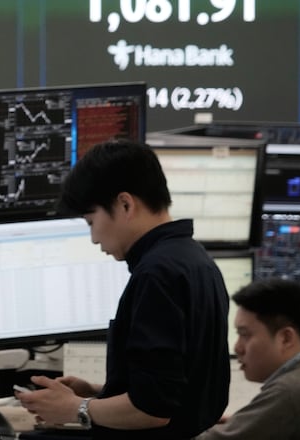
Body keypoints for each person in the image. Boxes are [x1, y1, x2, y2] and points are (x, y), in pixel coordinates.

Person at [15, 140, 230, 439]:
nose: (93, 238)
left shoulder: (157, 275)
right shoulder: (196, 261)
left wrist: (78, 408)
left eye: (91, 221)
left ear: (125, 204)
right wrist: (95, 392)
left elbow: (153, 410)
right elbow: (173, 390)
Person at [195, 278, 300, 439]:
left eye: (245, 335)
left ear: (286, 338)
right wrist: (247, 421)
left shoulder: (290, 392)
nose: (237, 348)